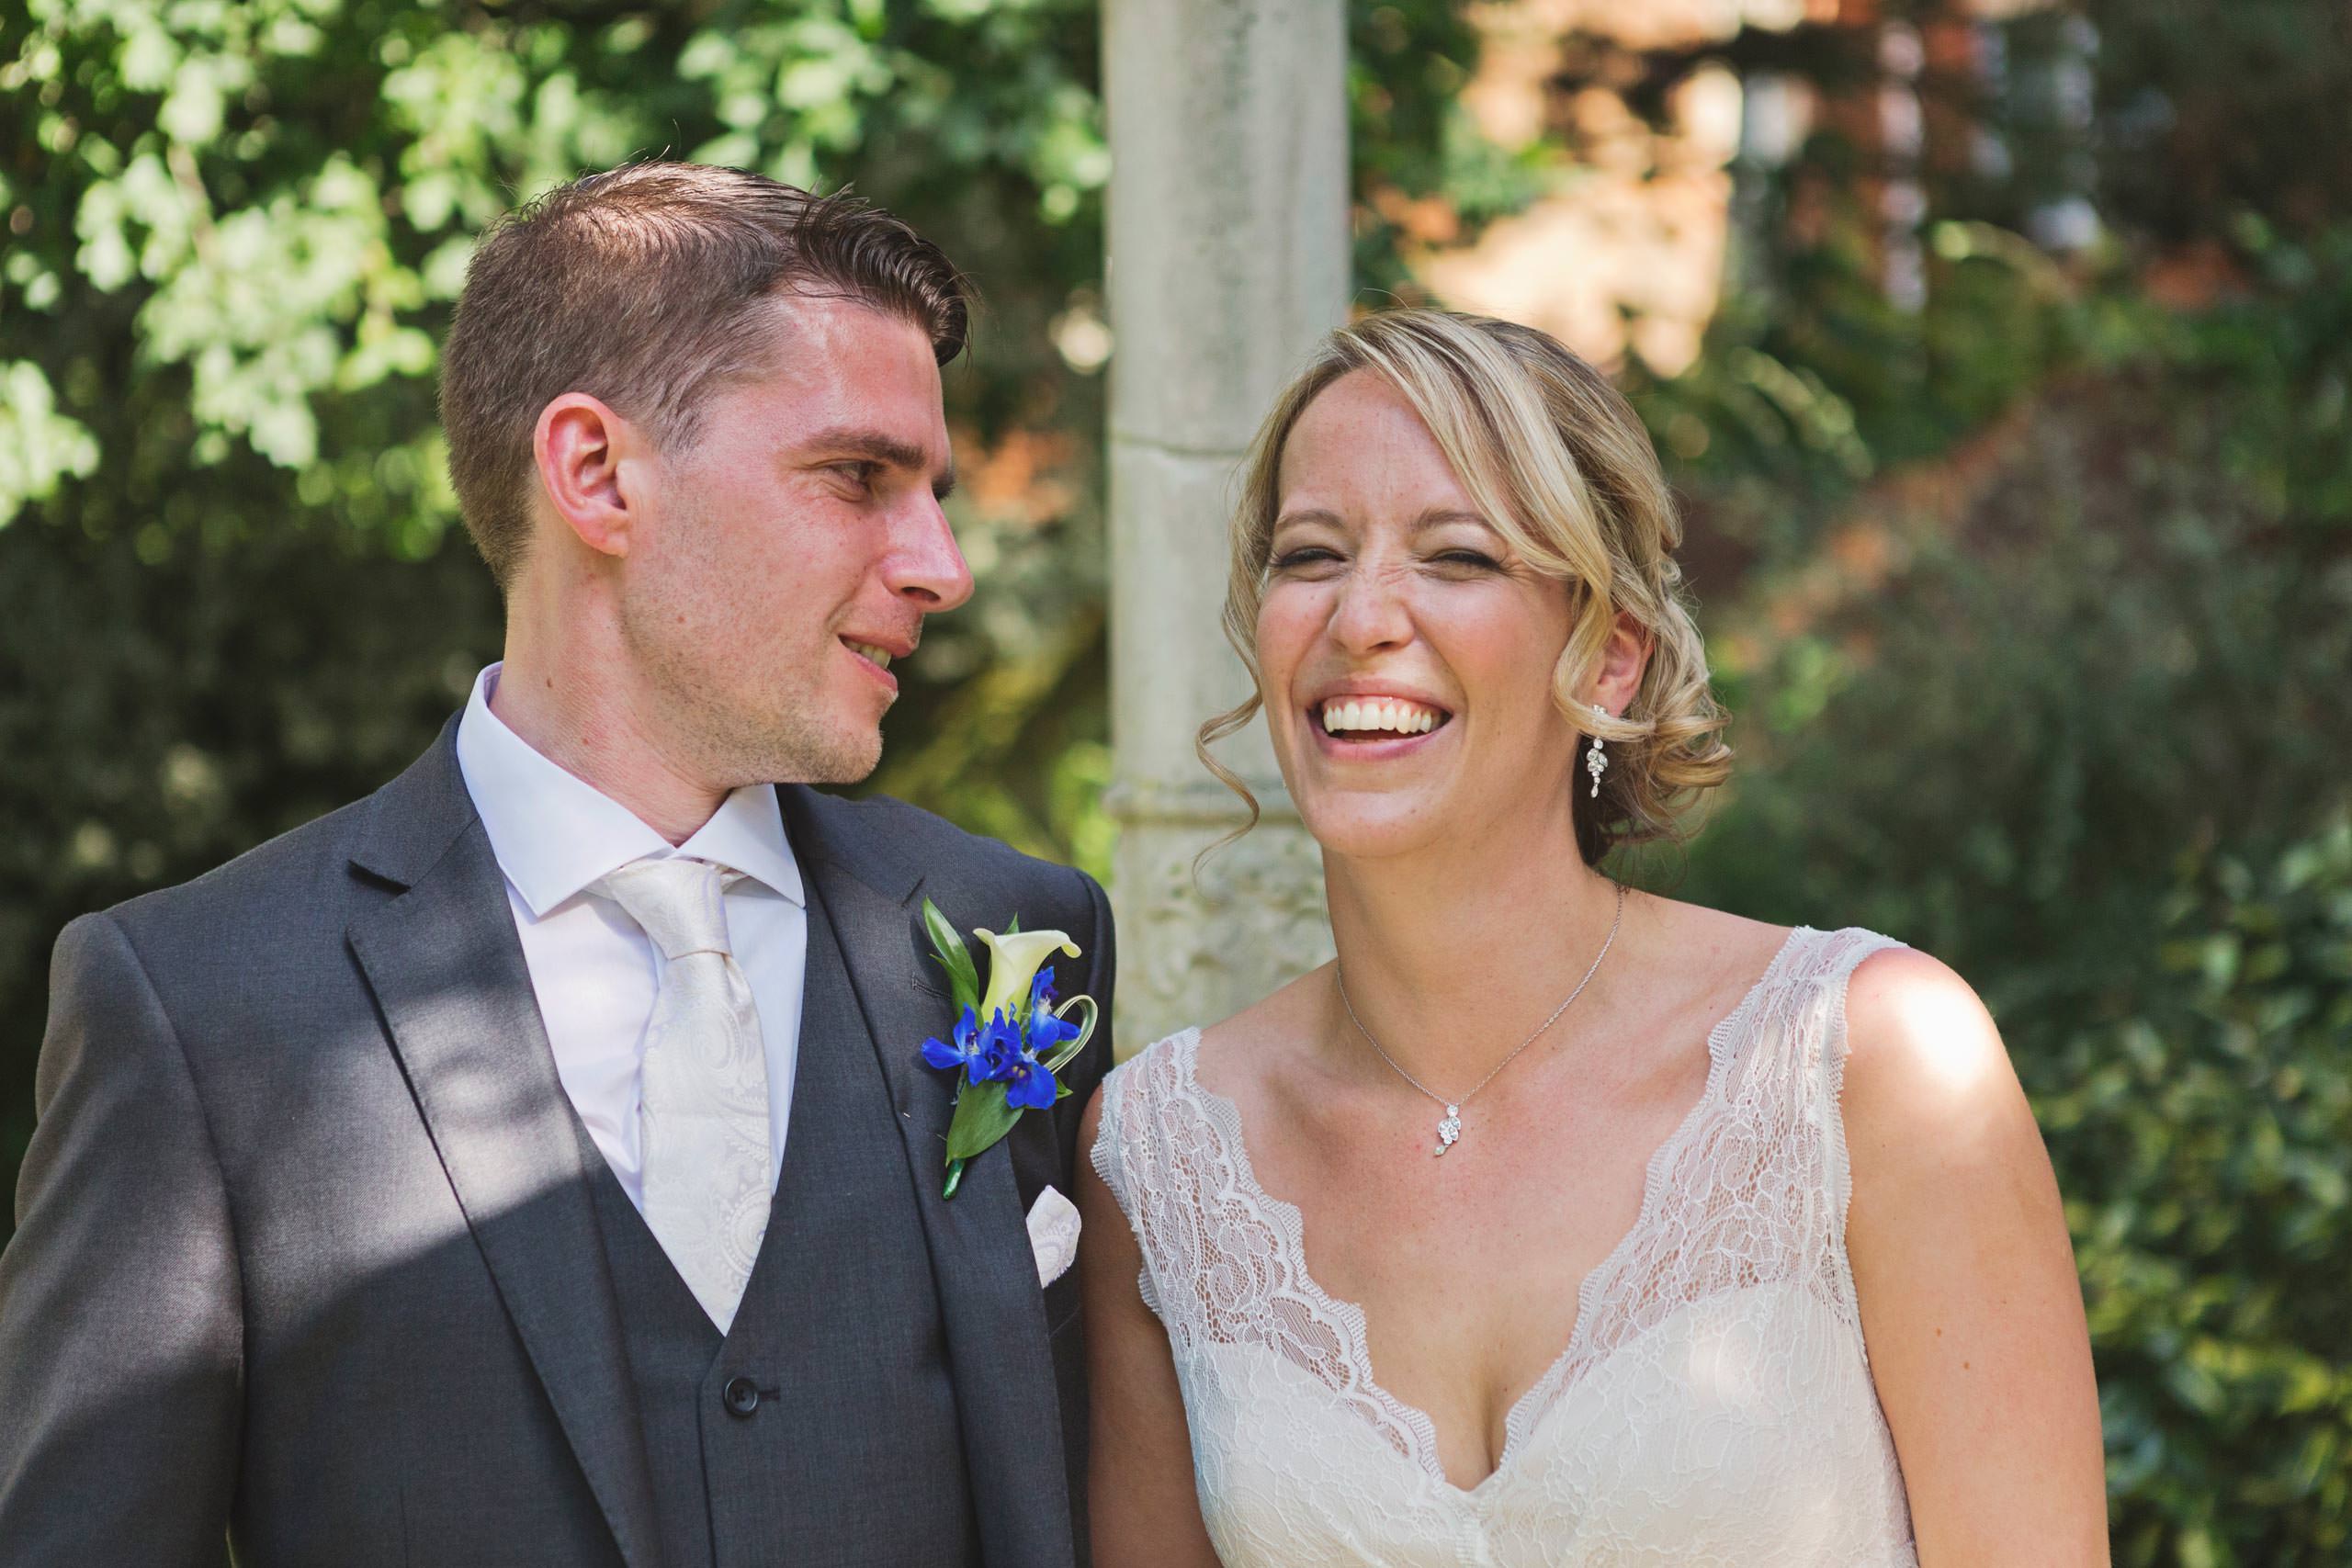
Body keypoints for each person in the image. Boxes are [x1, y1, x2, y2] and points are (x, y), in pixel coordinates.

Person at [0, 163, 1112, 1568]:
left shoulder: (1020, 933)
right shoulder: (198, 1006)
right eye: (858, 477)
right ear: (595, 473)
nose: (942, 565)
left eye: (933, 493)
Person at [1079, 309, 2107, 1566]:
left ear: (1610, 658)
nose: (1361, 617)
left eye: (1457, 556)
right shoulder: (1161, 1158)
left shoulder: (1864, 1061)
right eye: (1311, 555)